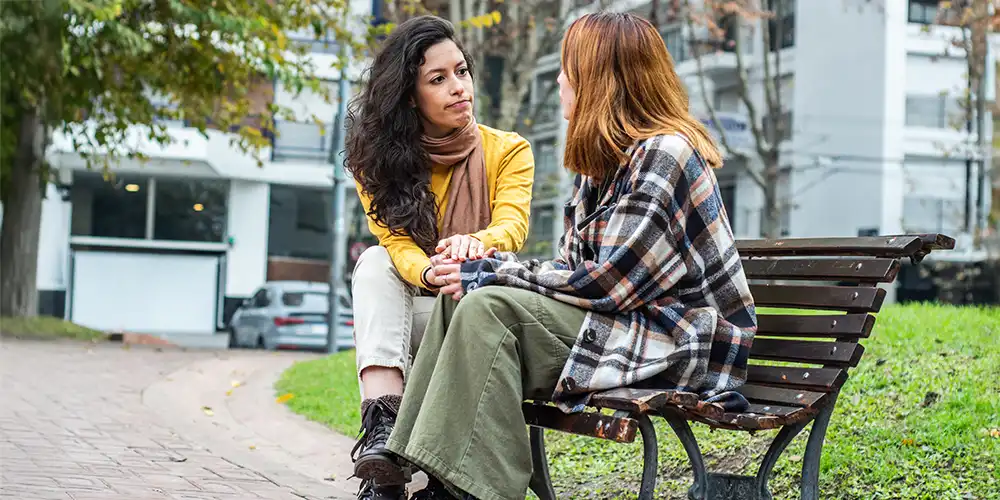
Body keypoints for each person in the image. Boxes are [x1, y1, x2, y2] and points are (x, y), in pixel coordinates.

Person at [375, 12, 758, 500]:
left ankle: (474, 491)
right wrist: (485, 275)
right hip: (627, 325)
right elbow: (570, 270)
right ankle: (433, 477)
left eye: (568, 68)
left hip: (679, 339)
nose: (559, 79)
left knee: (488, 307)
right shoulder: (602, 165)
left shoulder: (666, 153)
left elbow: (606, 284)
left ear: (601, 80)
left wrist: (492, 270)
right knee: (464, 299)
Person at [343, 14, 535, 500]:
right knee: (373, 264)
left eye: (462, 71)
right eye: (438, 79)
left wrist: (479, 243)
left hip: (475, 314)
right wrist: (430, 269)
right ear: (411, 96)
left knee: (454, 310)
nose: (458, 88)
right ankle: (384, 437)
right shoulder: (377, 163)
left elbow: (513, 225)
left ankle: (398, 469)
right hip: (418, 308)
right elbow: (396, 246)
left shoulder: (509, 150)